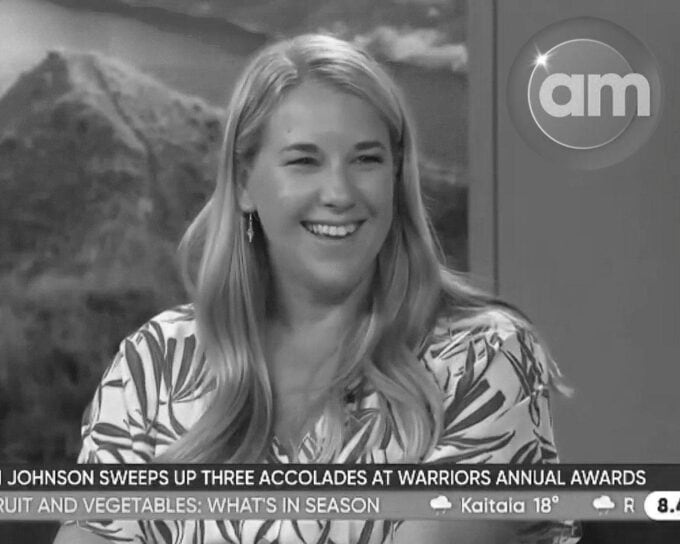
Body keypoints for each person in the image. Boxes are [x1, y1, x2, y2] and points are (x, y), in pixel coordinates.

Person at [54, 34, 580, 544]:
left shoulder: (482, 358)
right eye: (304, 160)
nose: (339, 193)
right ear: (243, 184)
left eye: (367, 160)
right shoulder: (157, 362)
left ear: (397, 179)